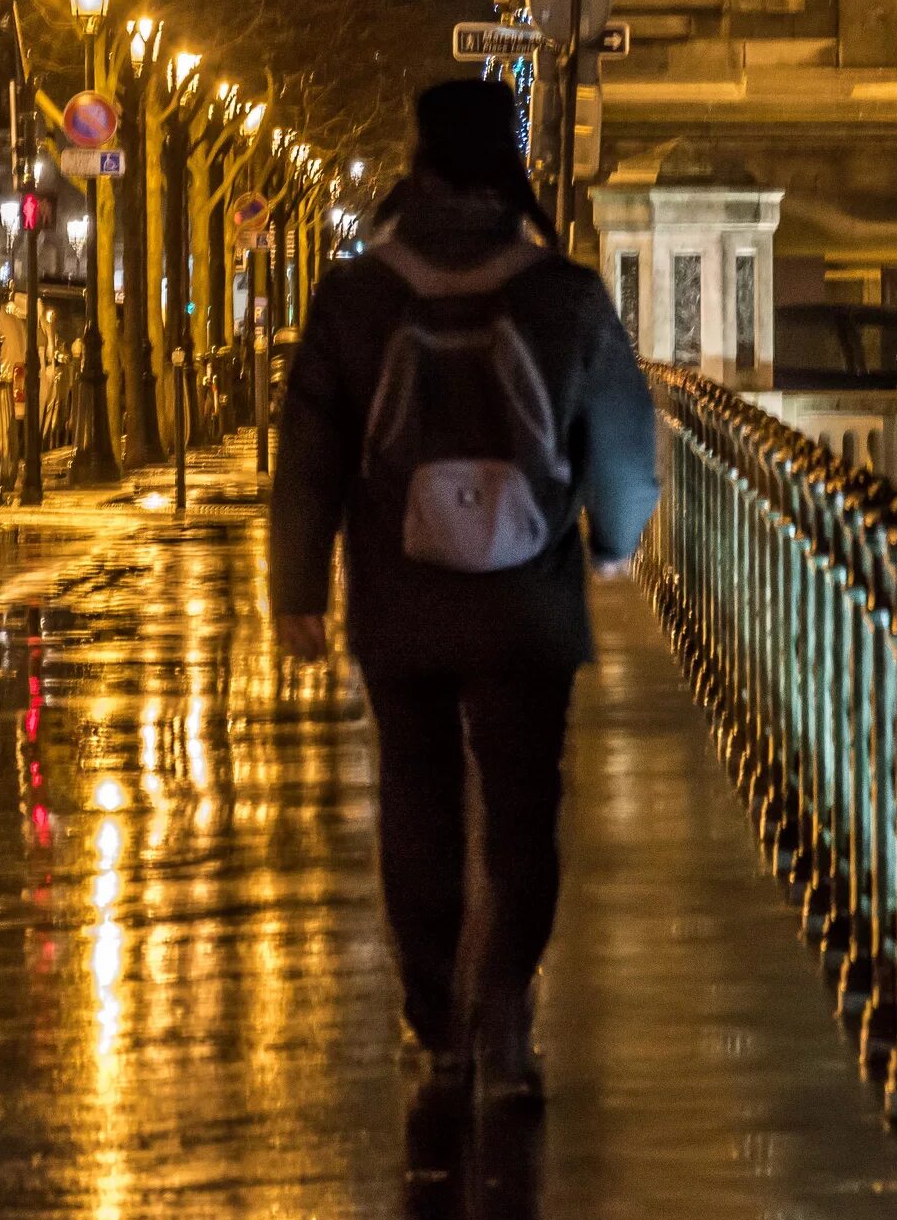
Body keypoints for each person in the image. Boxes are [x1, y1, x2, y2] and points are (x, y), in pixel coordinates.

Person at [267, 80, 659, 1102]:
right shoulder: (561, 291)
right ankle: (504, 1001)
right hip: (527, 599)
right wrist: (613, 540)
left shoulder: (358, 294)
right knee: (525, 808)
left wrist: (297, 584)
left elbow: (309, 449)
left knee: (418, 797)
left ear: (419, 159)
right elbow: (619, 432)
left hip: (400, 596)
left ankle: (436, 1009)